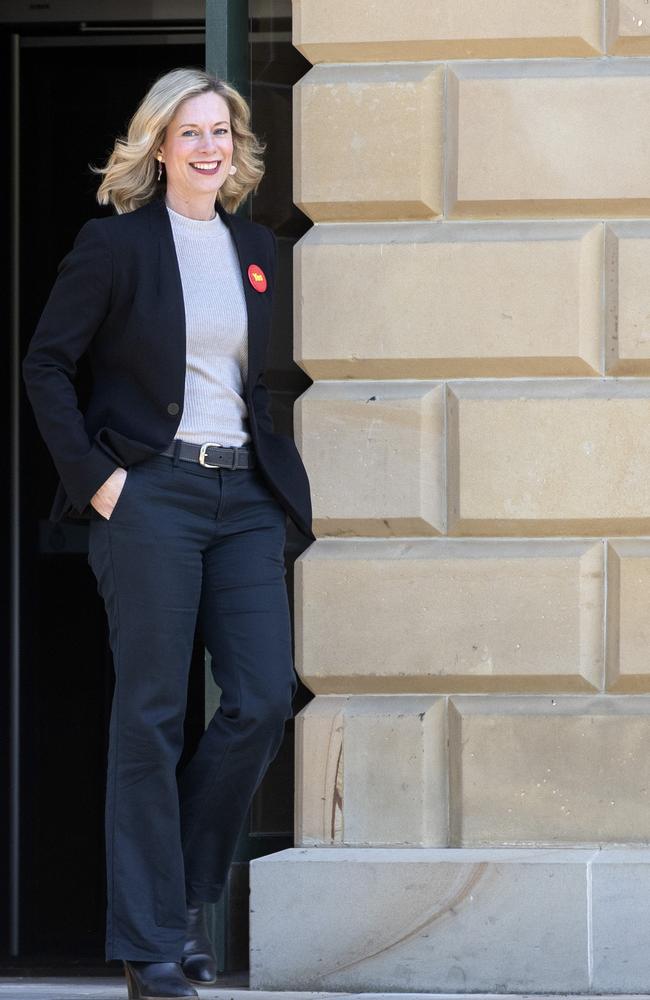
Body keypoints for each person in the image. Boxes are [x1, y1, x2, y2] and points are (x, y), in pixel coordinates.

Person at [22, 66, 315, 1000]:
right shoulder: (114, 247)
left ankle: (180, 901)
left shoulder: (257, 246)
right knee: (150, 716)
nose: (208, 147)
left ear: (236, 147)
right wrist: (98, 481)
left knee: (263, 697)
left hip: (243, 500)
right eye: (189, 133)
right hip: (151, 495)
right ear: (158, 146)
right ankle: (150, 947)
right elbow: (46, 366)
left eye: (220, 132)